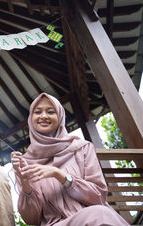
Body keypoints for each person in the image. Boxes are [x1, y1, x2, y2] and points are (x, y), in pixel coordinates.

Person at [11, 93, 129, 226]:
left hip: (93, 217)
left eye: (51, 112)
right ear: (31, 119)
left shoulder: (82, 148)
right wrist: (25, 184)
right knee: (101, 215)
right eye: (37, 112)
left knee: (101, 214)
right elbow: (32, 220)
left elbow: (98, 197)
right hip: (57, 224)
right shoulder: (24, 163)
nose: (43, 116)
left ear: (60, 117)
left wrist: (59, 175)